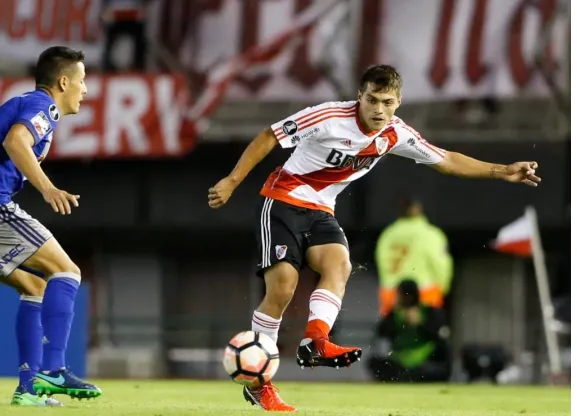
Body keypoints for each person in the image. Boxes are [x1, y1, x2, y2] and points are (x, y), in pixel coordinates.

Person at [207, 64, 541, 412]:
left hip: (322, 210)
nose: (379, 109)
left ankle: (317, 339)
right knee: (283, 289)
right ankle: (261, 385)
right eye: (372, 100)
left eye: (387, 101)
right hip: (283, 200)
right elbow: (269, 136)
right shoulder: (328, 116)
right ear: (359, 97)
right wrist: (232, 181)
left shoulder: (396, 133)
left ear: (398, 102)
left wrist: (503, 171)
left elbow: (446, 160)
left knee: (340, 265)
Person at [0, 46, 101, 407]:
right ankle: (55, 369)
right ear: (63, 82)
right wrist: (48, 188)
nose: (85, 89)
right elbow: (16, 140)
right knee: (68, 271)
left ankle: (28, 390)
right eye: (82, 81)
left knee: (35, 285)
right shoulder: (43, 106)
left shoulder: (23, 103)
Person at [375, 198, 453, 316]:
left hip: (392, 294)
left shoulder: (388, 234)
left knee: (394, 331)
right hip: (425, 293)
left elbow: (381, 263)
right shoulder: (430, 233)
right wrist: (442, 289)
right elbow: (441, 265)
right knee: (424, 332)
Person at [369, 279, 452, 383]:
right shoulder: (394, 314)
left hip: (425, 360)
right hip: (400, 360)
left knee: (440, 362)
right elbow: (381, 333)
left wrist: (420, 324)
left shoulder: (429, 311)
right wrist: (397, 318)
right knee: (374, 362)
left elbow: (439, 335)